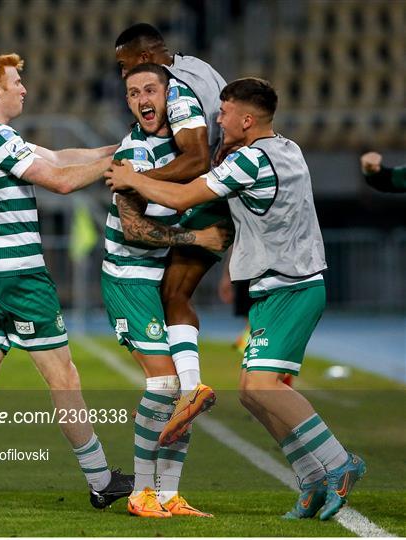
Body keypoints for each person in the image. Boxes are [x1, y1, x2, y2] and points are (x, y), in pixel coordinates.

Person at [105, 77, 366, 521]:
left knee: (263, 386)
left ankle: (340, 463)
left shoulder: (250, 161)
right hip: (275, 287)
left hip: (291, 288)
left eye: (224, 113)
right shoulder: (288, 148)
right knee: (251, 393)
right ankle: (309, 478)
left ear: (246, 119)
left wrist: (133, 179)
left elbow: (186, 194)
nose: (216, 119)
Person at [0, 53, 133, 515]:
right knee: (64, 377)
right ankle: (101, 480)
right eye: (16, 81)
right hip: (19, 274)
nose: (23, 89)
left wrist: (116, 150)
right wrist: (117, 170)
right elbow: (58, 180)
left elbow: (56, 156)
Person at [103, 63, 229, 518]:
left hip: (155, 278)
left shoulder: (176, 149)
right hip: (127, 279)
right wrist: (198, 239)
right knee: (164, 384)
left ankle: (170, 493)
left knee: (184, 398)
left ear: (167, 94)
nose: (141, 99)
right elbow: (135, 231)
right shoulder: (132, 152)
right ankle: (141, 492)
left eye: (149, 89)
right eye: (133, 93)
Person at [114, 23, 233, 443]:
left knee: (174, 294)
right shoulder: (198, 67)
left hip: (214, 191)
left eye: (124, 65)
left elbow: (197, 157)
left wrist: (139, 179)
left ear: (145, 60)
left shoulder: (177, 90)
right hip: (227, 184)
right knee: (177, 293)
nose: (123, 75)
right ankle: (193, 386)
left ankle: (192, 388)